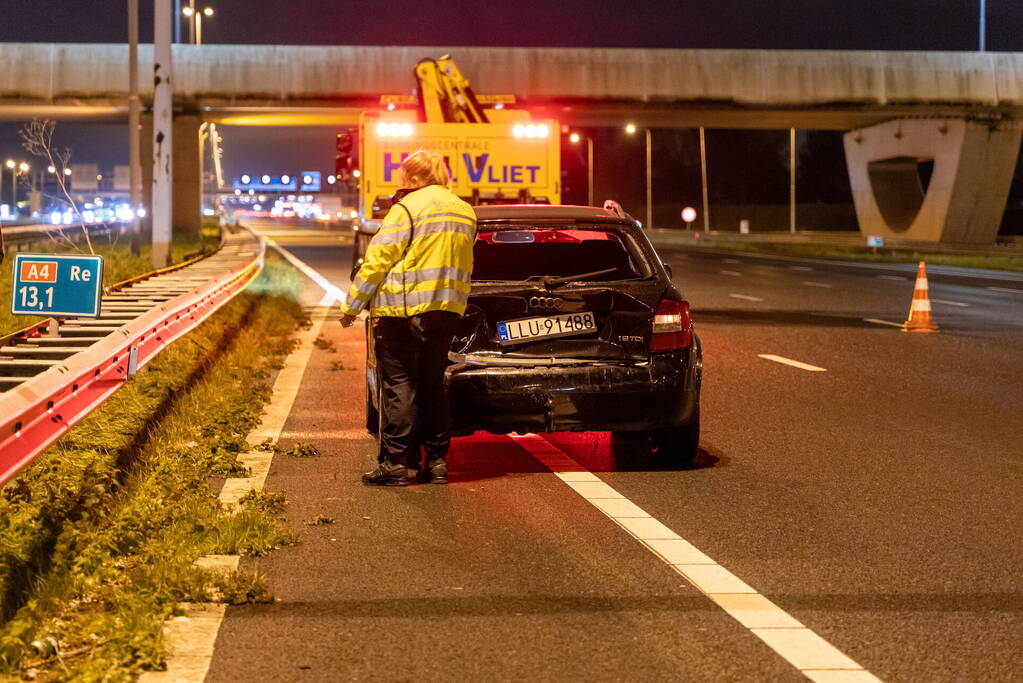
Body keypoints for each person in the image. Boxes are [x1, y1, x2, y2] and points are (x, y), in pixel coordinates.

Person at [339, 150, 476, 486]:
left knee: (399, 386)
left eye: (402, 179)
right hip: (446, 312)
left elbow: (378, 261)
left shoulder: (407, 209)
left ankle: (395, 465)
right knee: (433, 386)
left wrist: (351, 307)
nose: (399, 185)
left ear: (415, 179)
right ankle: (438, 463)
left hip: (402, 313)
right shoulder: (465, 212)